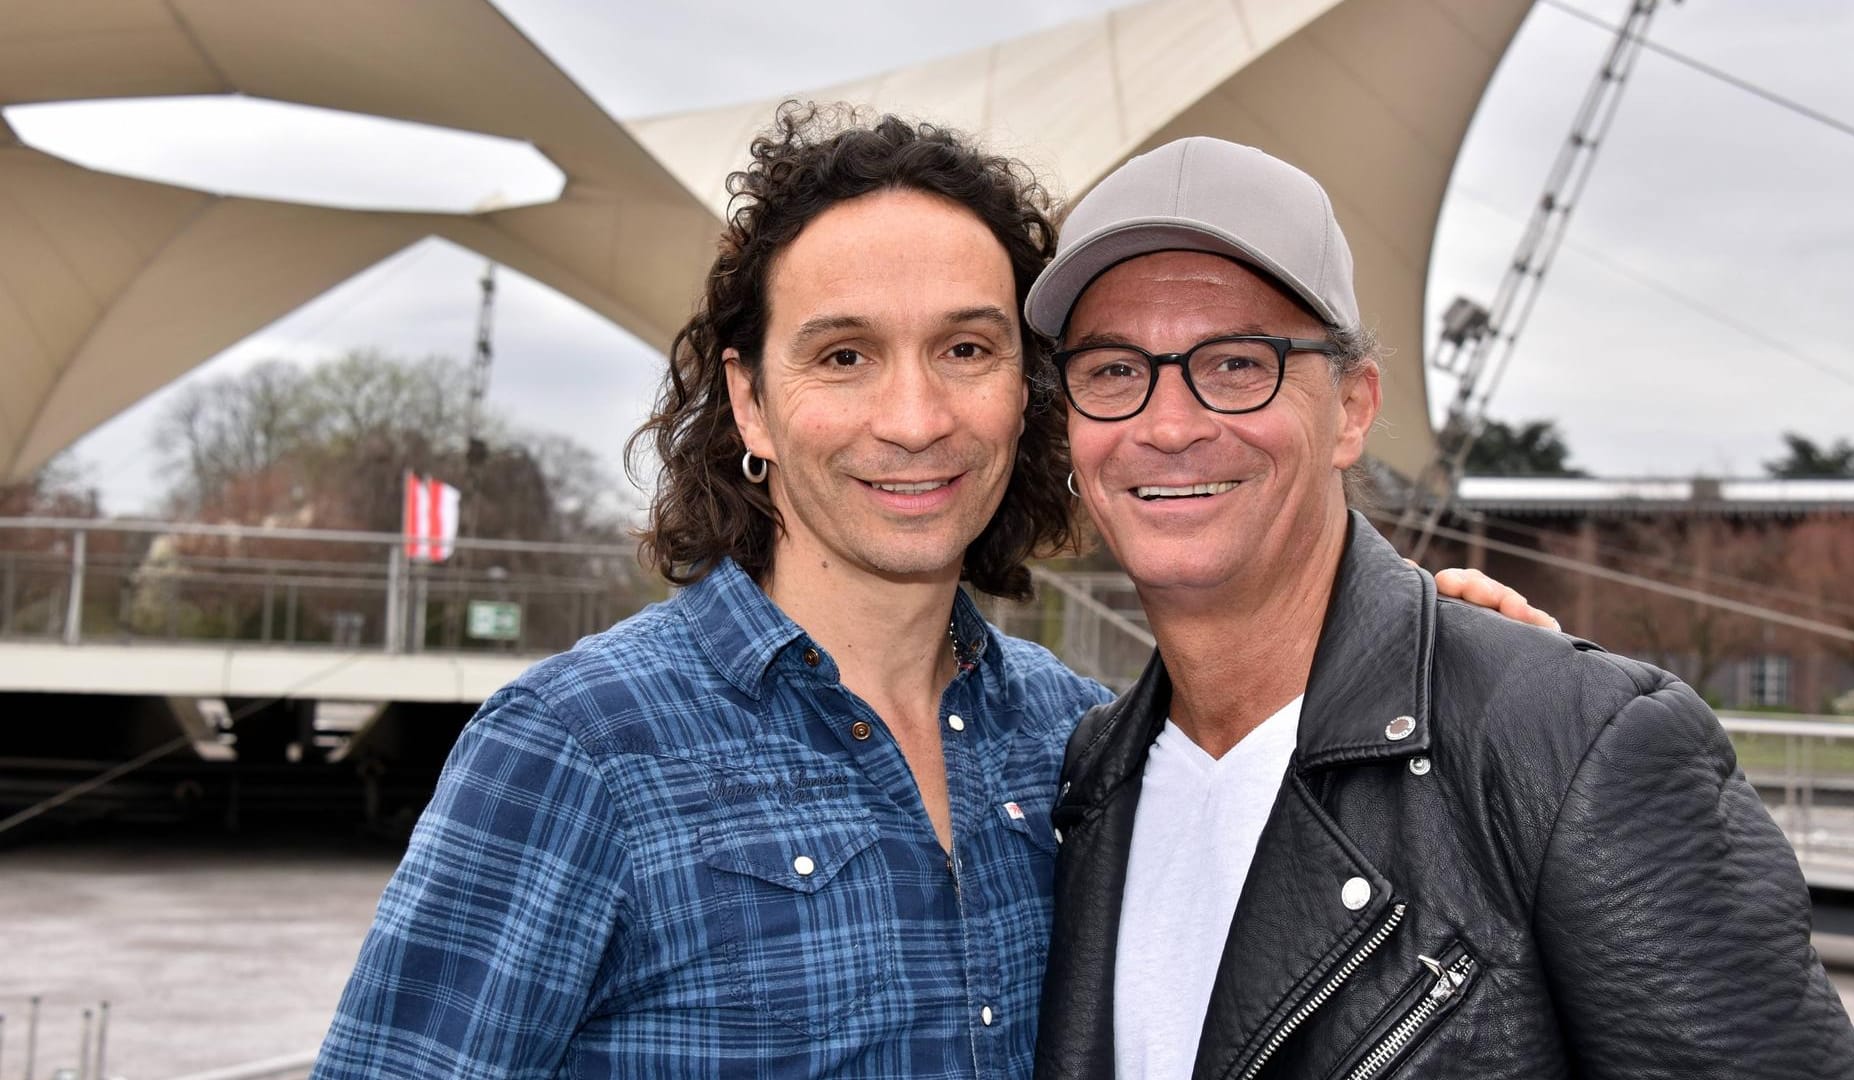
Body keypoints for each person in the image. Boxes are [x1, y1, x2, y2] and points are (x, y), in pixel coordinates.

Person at [313, 106, 1542, 1077]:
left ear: (1026, 391)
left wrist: (1429, 662)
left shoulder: (1082, 746)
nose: (916, 419)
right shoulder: (581, 753)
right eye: (845, 356)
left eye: (966, 349)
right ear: (750, 401)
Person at [1027, 135, 1854, 1080]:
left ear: (1352, 409)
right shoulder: (1085, 783)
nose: (1169, 424)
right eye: (1111, 371)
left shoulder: (1576, 747)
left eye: (1235, 365)